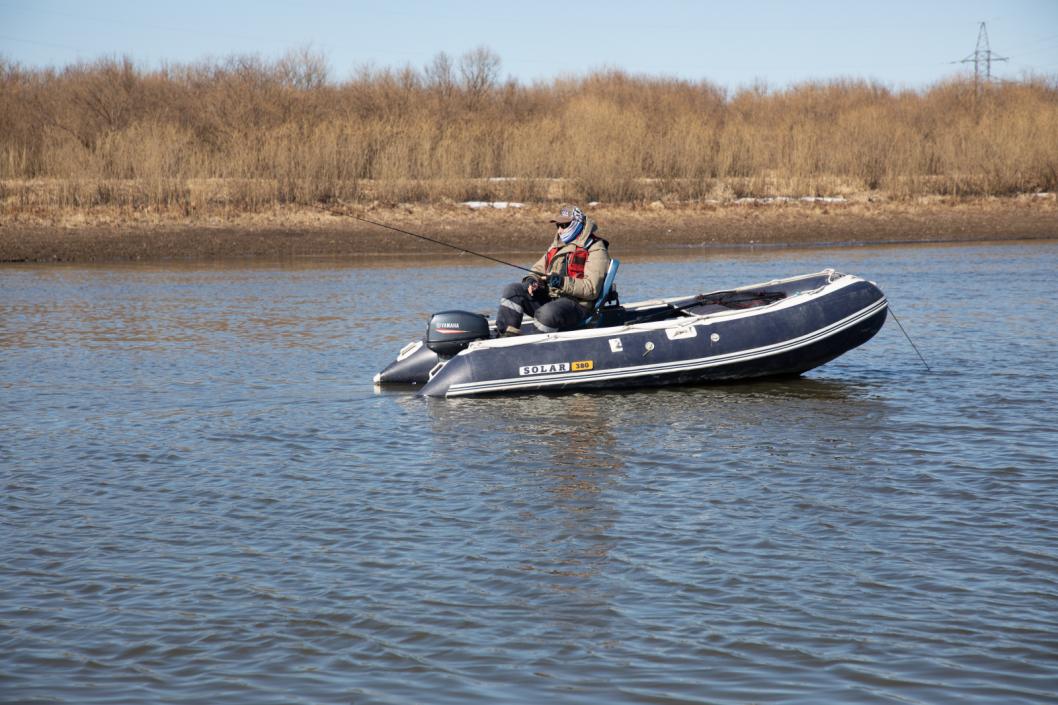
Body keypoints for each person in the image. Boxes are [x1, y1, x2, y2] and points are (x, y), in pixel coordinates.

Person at [495, 204, 612, 336]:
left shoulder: (595, 248)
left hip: (578, 306)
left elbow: (591, 289)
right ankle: (505, 336)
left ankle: (536, 344)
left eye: (564, 225)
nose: (560, 230)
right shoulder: (558, 244)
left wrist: (560, 282)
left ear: (577, 224)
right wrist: (531, 280)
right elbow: (538, 268)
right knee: (513, 291)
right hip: (554, 299)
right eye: (558, 226)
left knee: (547, 313)